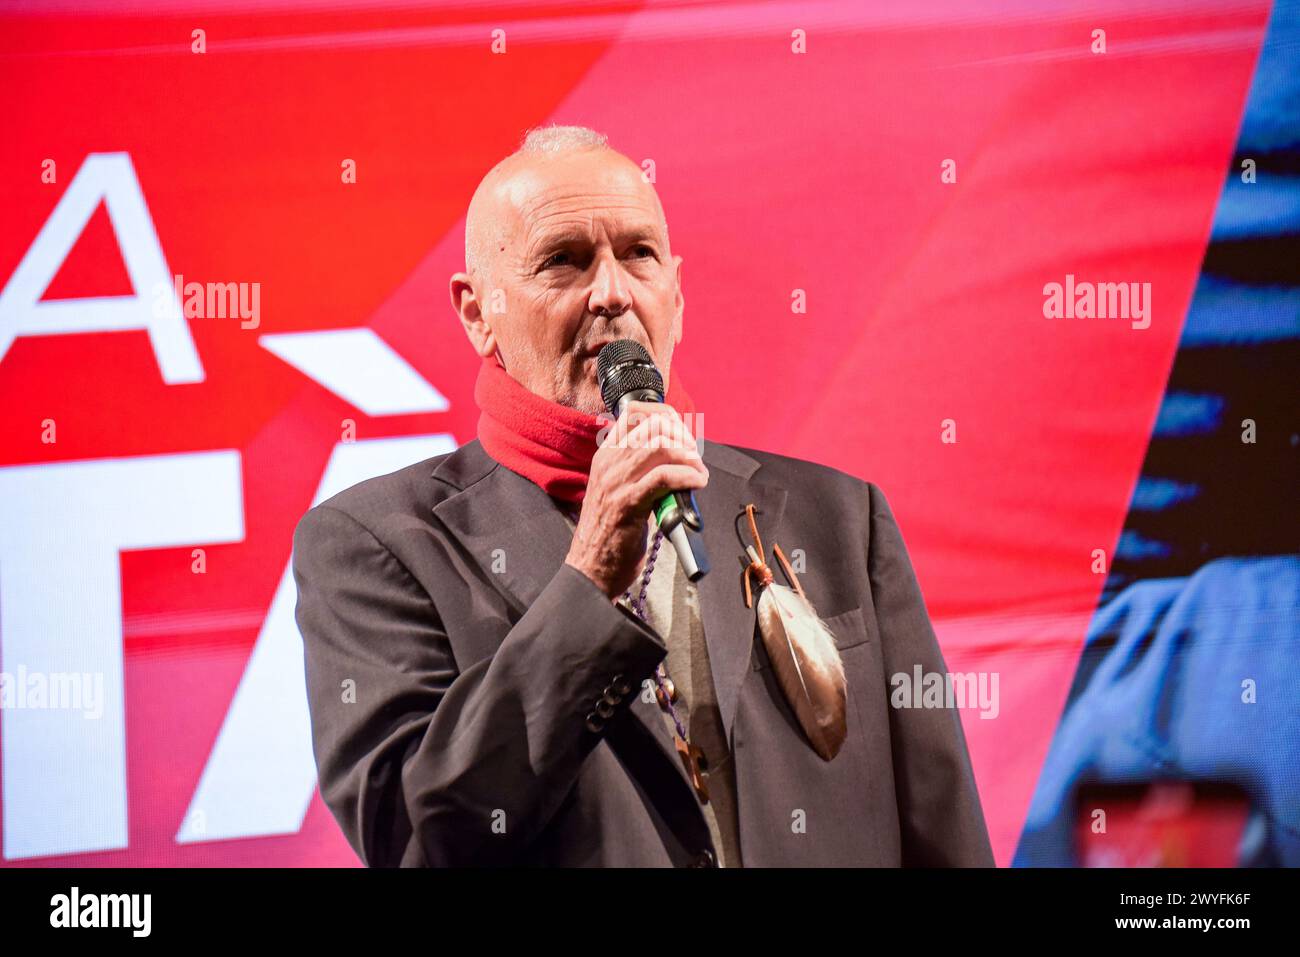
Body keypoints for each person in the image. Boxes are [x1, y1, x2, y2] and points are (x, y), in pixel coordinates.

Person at [292, 125, 993, 867]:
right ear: (477, 312)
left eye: (638, 255)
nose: (612, 293)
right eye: (562, 261)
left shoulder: (842, 518)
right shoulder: (377, 544)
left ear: (678, 295)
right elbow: (419, 839)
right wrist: (589, 577)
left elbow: (941, 826)